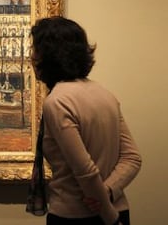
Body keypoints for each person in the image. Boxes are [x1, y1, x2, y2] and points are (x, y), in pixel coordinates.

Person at [30, 16, 141, 225]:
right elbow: (132, 159)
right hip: (118, 208)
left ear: (50, 55)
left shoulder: (57, 101)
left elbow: (85, 171)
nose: (31, 57)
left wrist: (109, 216)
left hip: (78, 216)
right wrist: (108, 191)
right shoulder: (105, 94)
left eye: (35, 49)